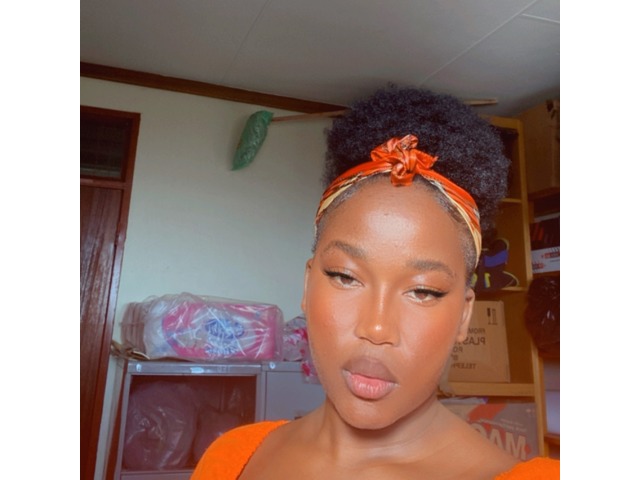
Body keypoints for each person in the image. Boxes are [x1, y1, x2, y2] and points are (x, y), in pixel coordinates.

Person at [191, 87, 560, 479]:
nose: (377, 327)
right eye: (345, 276)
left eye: (423, 291)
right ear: (307, 285)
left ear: (464, 316)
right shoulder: (232, 456)